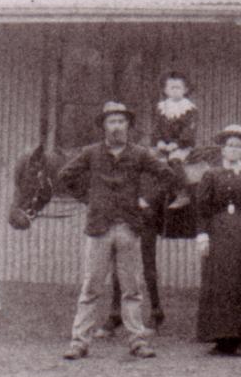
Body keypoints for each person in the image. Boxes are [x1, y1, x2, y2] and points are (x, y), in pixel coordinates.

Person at [57, 101, 180, 361]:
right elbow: (65, 175)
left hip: (128, 228)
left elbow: (167, 176)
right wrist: (88, 199)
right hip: (99, 229)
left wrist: (147, 198)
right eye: (111, 122)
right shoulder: (90, 153)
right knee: (91, 286)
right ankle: (79, 342)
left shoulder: (140, 154)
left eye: (121, 122)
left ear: (128, 126)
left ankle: (137, 340)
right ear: (103, 126)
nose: (116, 127)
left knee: (131, 287)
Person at [194, 124, 241, 356]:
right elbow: (202, 208)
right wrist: (203, 236)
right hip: (218, 232)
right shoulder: (210, 175)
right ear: (222, 149)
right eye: (230, 146)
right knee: (220, 281)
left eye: (238, 146)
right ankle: (221, 339)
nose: (234, 150)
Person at [150, 70, 199, 165]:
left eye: (178, 88)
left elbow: (188, 131)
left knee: (175, 161)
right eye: (172, 88)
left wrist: (176, 144)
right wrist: (159, 142)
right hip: (162, 146)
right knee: (150, 160)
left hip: (182, 146)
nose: (175, 90)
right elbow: (157, 127)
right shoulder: (161, 107)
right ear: (165, 90)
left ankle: (179, 180)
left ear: (185, 90)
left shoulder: (189, 109)